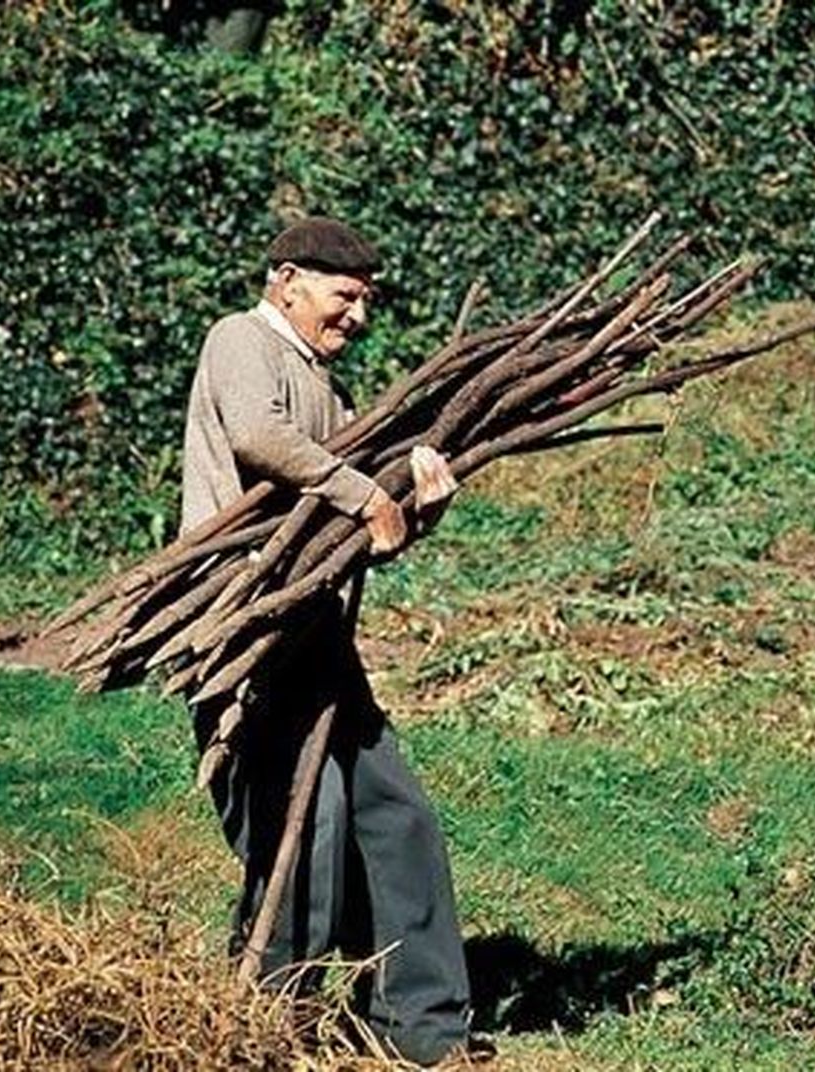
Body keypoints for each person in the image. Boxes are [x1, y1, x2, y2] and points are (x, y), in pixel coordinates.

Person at [179, 216, 476, 1066]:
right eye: (345, 298)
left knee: (396, 816)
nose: (357, 318)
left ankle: (424, 1032)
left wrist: (418, 509)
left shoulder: (329, 390)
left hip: (314, 635)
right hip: (242, 627)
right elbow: (259, 439)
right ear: (287, 282)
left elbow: (365, 527)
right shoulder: (243, 341)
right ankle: (270, 1028)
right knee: (302, 830)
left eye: (365, 303)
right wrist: (358, 490)